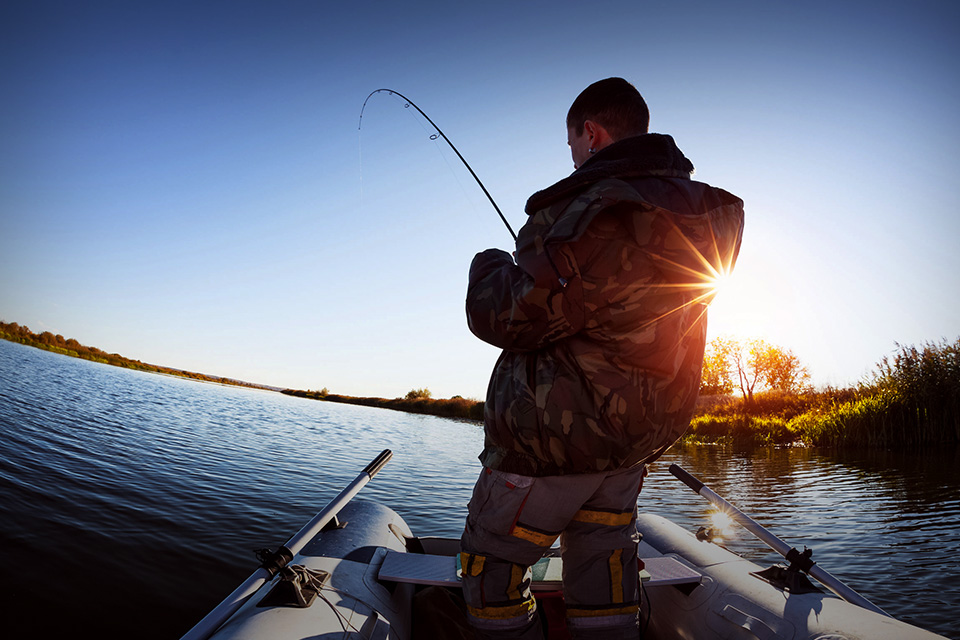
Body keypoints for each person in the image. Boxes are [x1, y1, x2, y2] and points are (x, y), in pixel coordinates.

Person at [459, 78, 745, 639]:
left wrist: (488, 266)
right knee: (602, 561)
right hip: (634, 442)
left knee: (491, 569)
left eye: (571, 144)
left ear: (591, 133)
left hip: (556, 440)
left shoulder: (587, 206)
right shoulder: (709, 214)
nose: (570, 156)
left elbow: (511, 316)